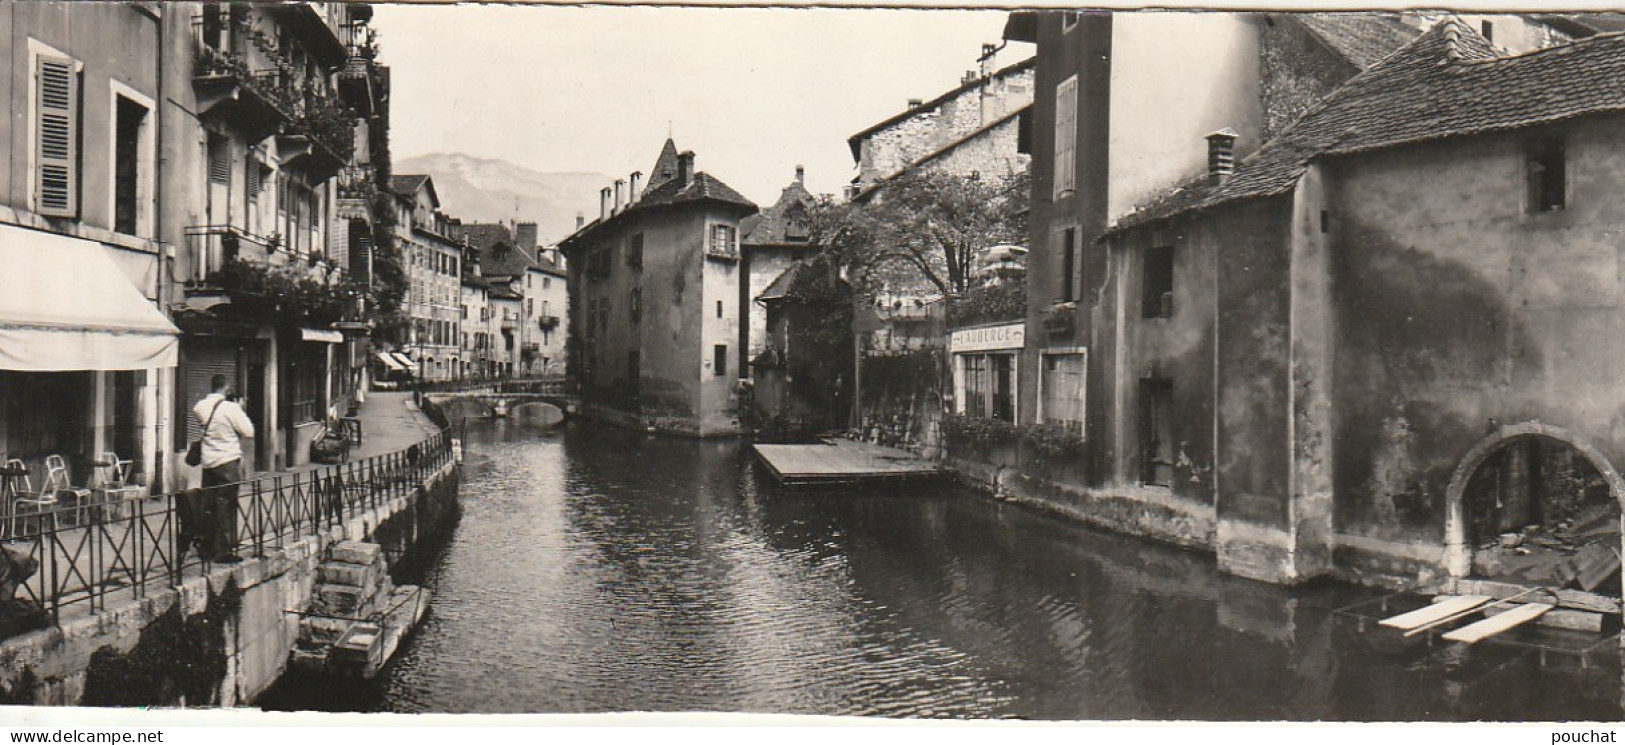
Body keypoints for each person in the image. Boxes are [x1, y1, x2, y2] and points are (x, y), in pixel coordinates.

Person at [193, 375, 255, 563]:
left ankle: (207, 548)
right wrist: (241, 409)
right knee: (227, 505)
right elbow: (249, 432)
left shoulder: (200, 407)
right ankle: (224, 551)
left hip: (208, 462)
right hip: (227, 461)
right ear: (226, 388)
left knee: (209, 505)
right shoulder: (231, 408)